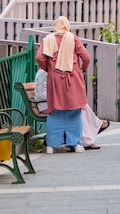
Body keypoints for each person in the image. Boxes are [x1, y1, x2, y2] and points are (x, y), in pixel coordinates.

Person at [35, 16, 91, 153]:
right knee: (75, 110)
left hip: (55, 78)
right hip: (73, 77)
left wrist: (47, 67)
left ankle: (51, 145)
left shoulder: (48, 39)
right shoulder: (73, 38)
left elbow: (39, 57)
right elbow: (87, 57)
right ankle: (76, 144)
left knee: (54, 111)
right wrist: (83, 68)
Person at [35, 68, 109, 149]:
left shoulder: (50, 70)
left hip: (55, 103)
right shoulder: (44, 72)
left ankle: (93, 129)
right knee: (77, 109)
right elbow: (41, 95)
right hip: (47, 105)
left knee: (81, 104)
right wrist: (60, 96)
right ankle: (86, 139)